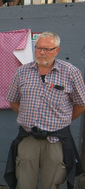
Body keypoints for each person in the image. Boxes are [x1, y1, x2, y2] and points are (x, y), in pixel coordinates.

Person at [5, 31, 85, 189]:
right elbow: (12, 100)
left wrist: (63, 121)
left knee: (52, 182)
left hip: (55, 140)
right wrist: (27, 116)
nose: (42, 52)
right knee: (24, 183)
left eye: (47, 49)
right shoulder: (22, 72)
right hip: (28, 138)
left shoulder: (71, 72)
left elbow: (81, 103)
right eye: (39, 48)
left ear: (57, 50)